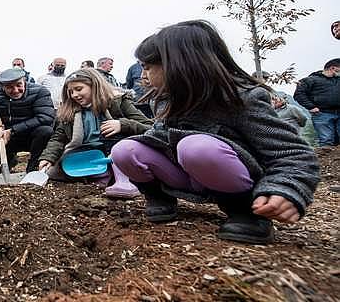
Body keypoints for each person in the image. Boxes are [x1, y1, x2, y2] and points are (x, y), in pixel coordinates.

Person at [111, 20, 319, 244]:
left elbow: (293, 154)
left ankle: (245, 212)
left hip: (229, 176)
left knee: (196, 147)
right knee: (124, 150)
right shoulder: (165, 100)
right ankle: (160, 198)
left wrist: (285, 190)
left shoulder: (241, 98)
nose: (143, 75)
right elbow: (158, 136)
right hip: (186, 174)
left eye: (148, 67)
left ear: (179, 64)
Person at [38, 69, 152, 197]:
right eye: (70, 92)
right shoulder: (69, 112)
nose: (74, 95)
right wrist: (48, 157)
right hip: (88, 153)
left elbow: (149, 127)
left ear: (94, 85)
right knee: (57, 169)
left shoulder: (117, 102)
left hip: (114, 150)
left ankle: (121, 180)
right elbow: (58, 139)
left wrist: (122, 124)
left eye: (79, 89)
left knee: (111, 133)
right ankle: (101, 175)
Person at [0, 69, 55, 172]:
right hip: (8, 138)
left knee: (46, 131)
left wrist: (12, 130)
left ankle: (33, 168)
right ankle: (9, 160)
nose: (15, 90)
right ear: (2, 87)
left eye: (19, 85)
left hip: (33, 137)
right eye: (9, 87)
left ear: (24, 80)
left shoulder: (40, 91)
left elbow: (45, 117)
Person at [293, 58, 340, 146]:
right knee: (326, 140)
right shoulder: (311, 80)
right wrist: (311, 107)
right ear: (333, 68)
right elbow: (299, 94)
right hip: (322, 113)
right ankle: (325, 159)